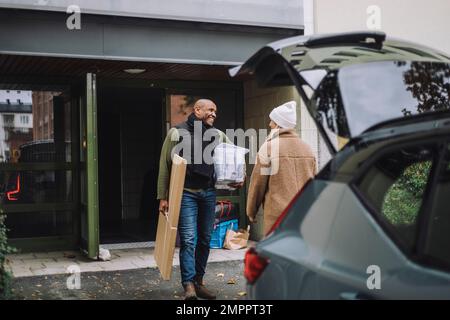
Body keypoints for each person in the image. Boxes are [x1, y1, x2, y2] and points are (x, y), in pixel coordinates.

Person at [157, 99, 243, 300]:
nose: (214, 114)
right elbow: (165, 164)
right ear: (197, 110)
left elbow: (234, 156)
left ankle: (199, 281)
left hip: (208, 192)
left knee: (205, 239)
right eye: (210, 110)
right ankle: (188, 285)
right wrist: (163, 196)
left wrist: (239, 175)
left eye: (216, 110)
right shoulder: (177, 133)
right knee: (188, 239)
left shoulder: (218, 135)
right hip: (185, 193)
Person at [246, 100, 316, 235]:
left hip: (277, 215)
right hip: (304, 212)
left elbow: (257, 184)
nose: (269, 124)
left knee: (277, 251)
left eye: (272, 121)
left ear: (278, 124)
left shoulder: (269, 147)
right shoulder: (308, 149)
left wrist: (251, 211)